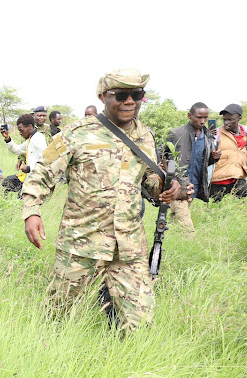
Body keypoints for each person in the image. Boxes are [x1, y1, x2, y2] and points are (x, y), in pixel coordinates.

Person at [22, 69, 184, 332]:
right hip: (82, 241)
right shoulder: (76, 133)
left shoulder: (145, 135)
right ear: (102, 96)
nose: (129, 101)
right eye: (121, 95)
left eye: (137, 94)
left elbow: (148, 181)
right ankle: (45, 355)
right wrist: (32, 211)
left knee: (140, 322)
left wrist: (168, 187)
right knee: (58, 314)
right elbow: (42, 172)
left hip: (128, 244)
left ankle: (127, 364)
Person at [163, 102, 217, 234]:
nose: (203, 121)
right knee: (187, 226)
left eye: (205, 118)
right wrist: (170, 179)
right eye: (199, 117)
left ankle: (169, 240)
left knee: (176, 219)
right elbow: (162, 157)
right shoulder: (176, 133)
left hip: (194, 186)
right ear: (189, 115)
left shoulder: (208, 137)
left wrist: (214, 157)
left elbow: (203, 163)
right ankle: (193, 245)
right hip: (177, 186)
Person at [209, 103, 247, 201]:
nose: (226, 123)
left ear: (239, 118)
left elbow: (246, 152)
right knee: (215, 210)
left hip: (237, 179)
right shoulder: (216, 134)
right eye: (224, 119)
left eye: (230, 119)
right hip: (218, 181)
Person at [0, 114, 47, 194]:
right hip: (31, 180)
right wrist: (7, 138)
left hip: (37, 182)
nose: (20, 133)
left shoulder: (38, 138)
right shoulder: (31, 139)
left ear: (29, 127)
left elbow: (46, 160)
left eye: (21, 130)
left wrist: (29, 168)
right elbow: (17, 150)